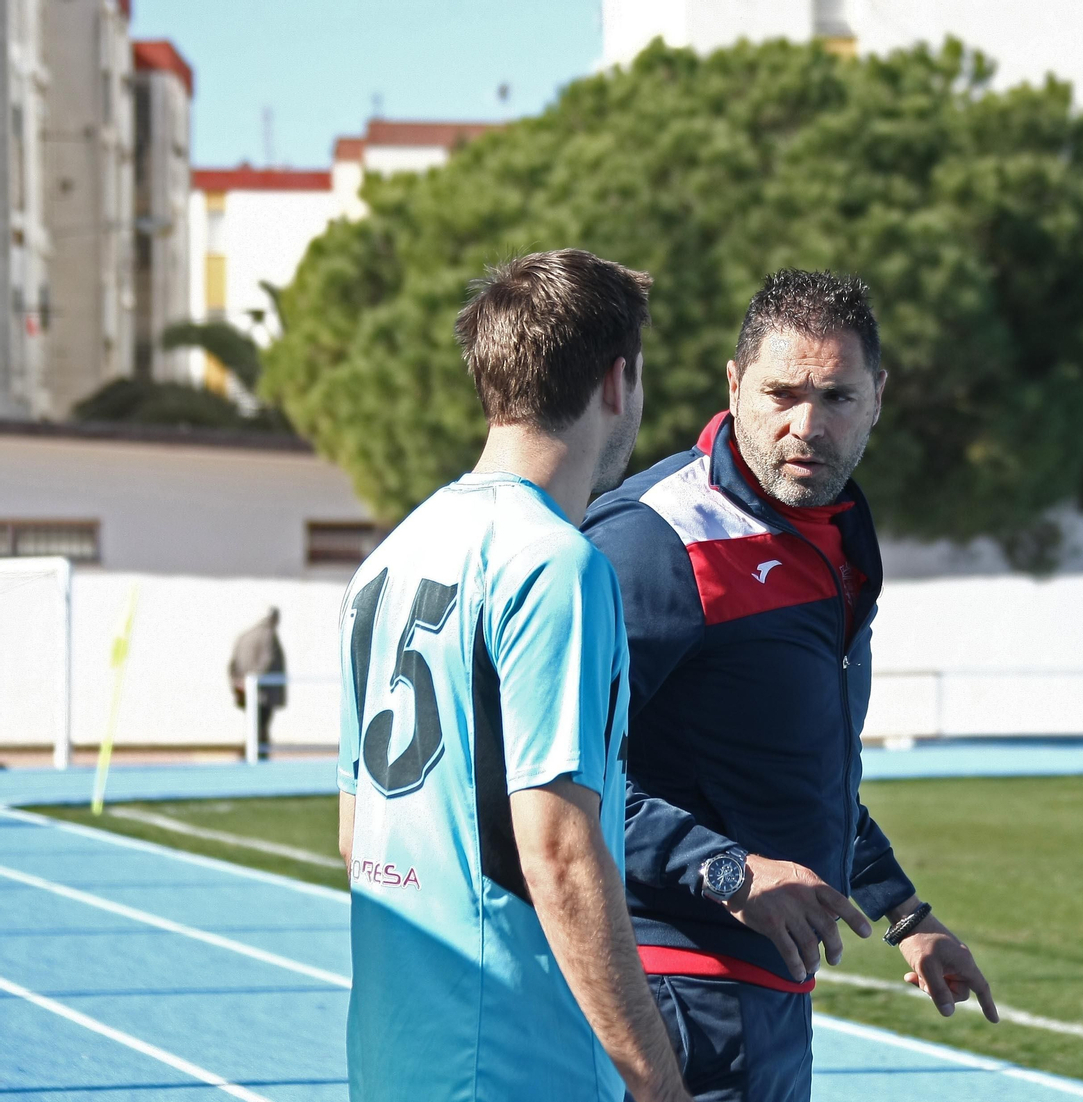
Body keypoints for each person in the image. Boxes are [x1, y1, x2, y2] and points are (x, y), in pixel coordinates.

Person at [584, 270, 997, 1102]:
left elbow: (795, 764)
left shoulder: (833, 538)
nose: (806, 426)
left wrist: (905, 914)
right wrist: (727, 871)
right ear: (734, 386)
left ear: (878, 397)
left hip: (767, 990)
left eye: (837, 397)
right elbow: (552, 777)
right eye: (780, 393)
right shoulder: (654, 542)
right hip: (667, 985)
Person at [336, 250, 689, 1102]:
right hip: (514, 1061)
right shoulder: (554, 565)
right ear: (617, 382)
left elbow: (357, 836)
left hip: (395, 1055)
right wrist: (658, 1084)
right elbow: (561, 855)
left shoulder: (386, 560)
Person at [229, 607, 285, 757]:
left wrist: (238, 682)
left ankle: (249, 754)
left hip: (246, 689)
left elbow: (233, 664)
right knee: (260, 727)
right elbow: (267, 660)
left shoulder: (245, 636)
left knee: (253, 725)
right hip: (262, 692)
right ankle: (256, 756)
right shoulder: (267, 634)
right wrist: (254, 681)